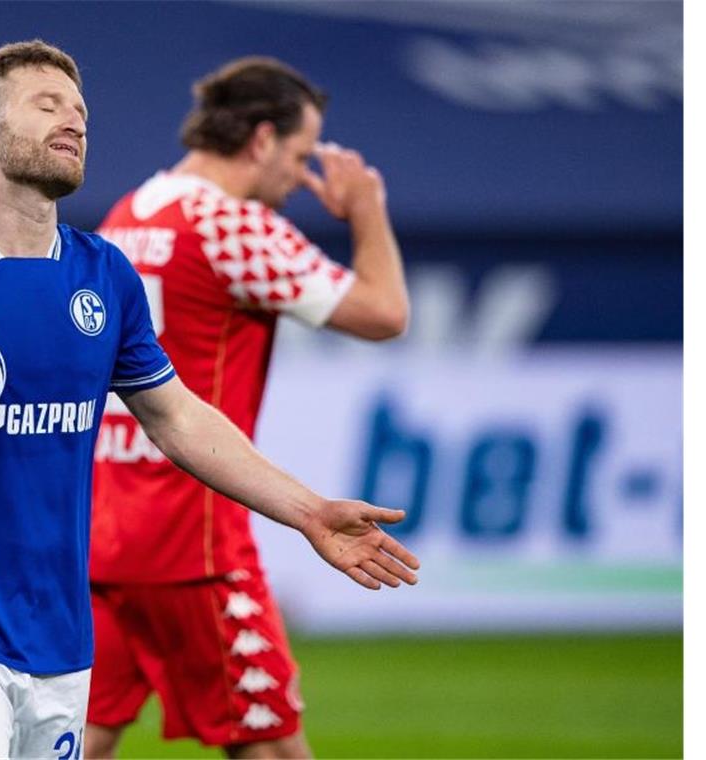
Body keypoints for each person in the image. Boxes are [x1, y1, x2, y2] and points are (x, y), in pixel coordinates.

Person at [0, 41, 418, 760]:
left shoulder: (105, 272)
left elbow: (177, 417)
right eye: (47, 106)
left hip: (61, 635)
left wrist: (310, 512)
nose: (74, 122)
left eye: (80, 111)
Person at [86, 57, 411, 759]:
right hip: (192, 537)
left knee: (79, 738)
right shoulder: (232, 226)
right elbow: (385, 313)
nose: (301, 177)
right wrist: (367, 210)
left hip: (105, 530)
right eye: (298, 156)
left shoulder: (131, 212)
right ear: (261, 140)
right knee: (269, 749)